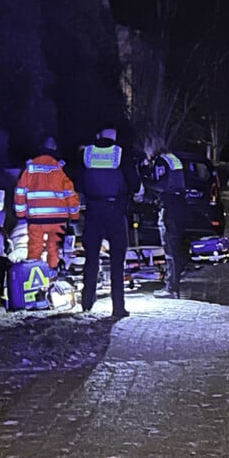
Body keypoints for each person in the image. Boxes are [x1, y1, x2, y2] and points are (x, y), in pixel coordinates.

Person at [78, 127, 140, 317]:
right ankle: (118, 307)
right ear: (114, 138)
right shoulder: (120, 154)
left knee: (91, 258)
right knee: (117, 261)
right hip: (115, 210)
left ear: (99, 136)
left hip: (93, 210)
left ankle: (87, 302)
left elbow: (78, 182)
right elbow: (135, 185)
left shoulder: (87, 153)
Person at [14, 137, 80, 273]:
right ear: (55, 148)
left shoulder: (30, 167)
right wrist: (74, 217)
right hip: (58, 218)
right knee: (53, 248)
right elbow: (70, 193)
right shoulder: (60, 167)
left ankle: (33, 278)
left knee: (34, 248)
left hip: (36, 218)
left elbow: (20, 192)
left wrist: (20, 215)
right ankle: (51, 277)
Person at [151, 152, 190, 300]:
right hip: (178, 207)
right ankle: (174, 285)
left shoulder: (161, 160)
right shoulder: (173, 158)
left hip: (170, 209)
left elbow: (163, 184)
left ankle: (171, 288)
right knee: (175, 248)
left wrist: (146, 183)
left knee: (170, 249)